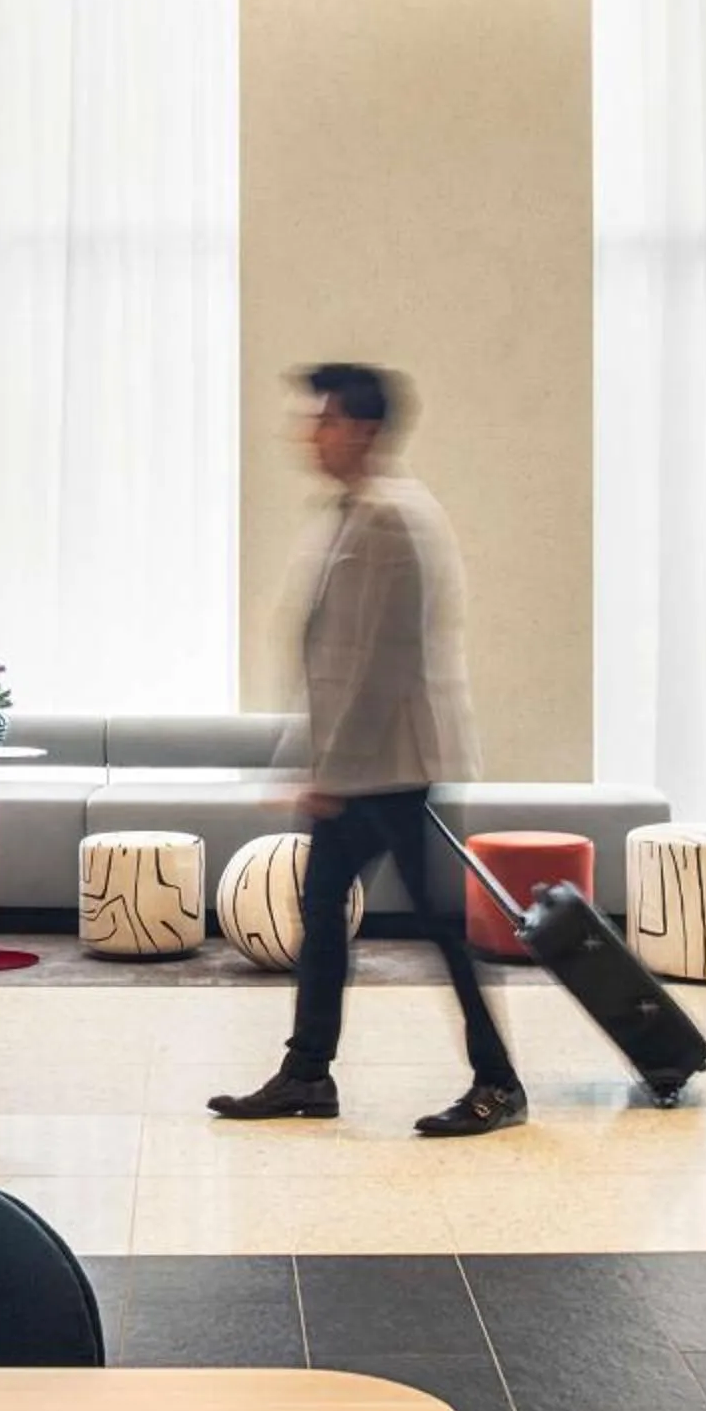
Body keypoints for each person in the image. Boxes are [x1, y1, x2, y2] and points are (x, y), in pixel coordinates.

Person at [207, 362, 526, 1138]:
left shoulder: (390, 517)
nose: (310, 433)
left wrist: (330, 774)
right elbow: (329, 656)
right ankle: (308, 1073)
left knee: (442, 928)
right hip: (362, 768)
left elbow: (382, 663)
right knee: (322, 914)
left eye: (325, 419)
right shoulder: (352, 513)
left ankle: (499, 1083)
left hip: (392, 765)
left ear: (365, 430)